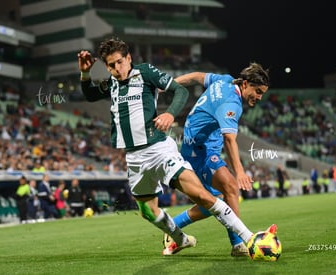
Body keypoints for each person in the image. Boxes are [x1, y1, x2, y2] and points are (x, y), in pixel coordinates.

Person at [78, 37, 275, 255]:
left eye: (119, 62)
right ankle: (180, 238)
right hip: (136, 157)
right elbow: (90, 94)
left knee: (216, 192)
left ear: (128, 58)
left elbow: (185, 88)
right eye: (111, 65)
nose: (116, 69)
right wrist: (85, 74)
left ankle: (245, 241)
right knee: (148, 211)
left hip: (162, 149)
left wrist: (170, 110)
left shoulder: (145, 73)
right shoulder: (113, 83)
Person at [166, 62, 271, 256]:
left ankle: (172, 226)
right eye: (257, 91)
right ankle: (239, 244)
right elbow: (230, 139)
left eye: (262, 93)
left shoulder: (225, 80)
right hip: (201, 151)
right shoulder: (231, 103)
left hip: (197, 146)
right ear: (246, 83)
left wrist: (170, 84)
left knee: (217, 202)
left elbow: (197, 76)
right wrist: (239, 172)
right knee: (231, 188)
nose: (259, 97)